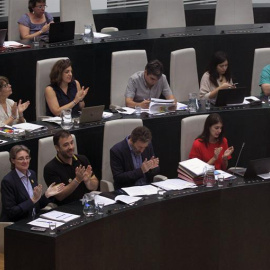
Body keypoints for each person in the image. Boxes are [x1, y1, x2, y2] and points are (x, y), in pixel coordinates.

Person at [0, 145, 64, 222]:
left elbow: (37, 205)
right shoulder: (8, 181)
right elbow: (11, 212)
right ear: (13, 160)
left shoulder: (32, 174)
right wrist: (32, 200)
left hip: (33, 219)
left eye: (27, 158)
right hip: (17, 224)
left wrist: (47, 195)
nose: (25, 161)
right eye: (21, 159)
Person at [43, 130, 99, 206]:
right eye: (66, 145)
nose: (71, 147)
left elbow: (95, 186)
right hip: (66, 208)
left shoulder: (82, 159)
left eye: (72, 143)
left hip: (85, 203)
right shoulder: (50, 168)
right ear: (57, 148)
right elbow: (60, 196)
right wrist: (77, 180)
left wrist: (88, 182)